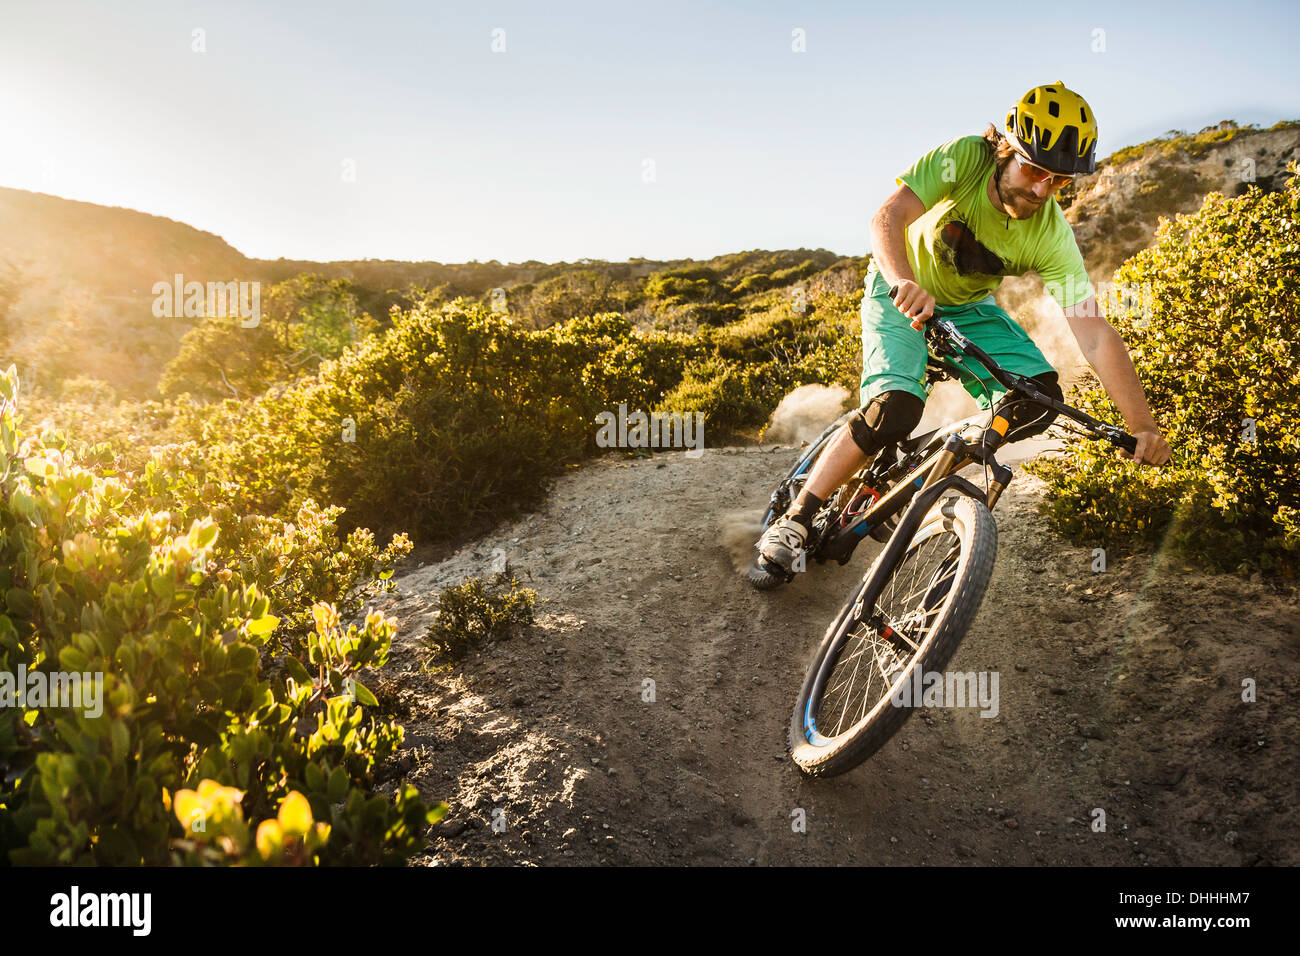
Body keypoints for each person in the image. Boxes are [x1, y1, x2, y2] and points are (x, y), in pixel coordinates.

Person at [757, 81, 1172, 579]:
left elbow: (1095, 334)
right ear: (1005, 150)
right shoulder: (965, 159)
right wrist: (904, 282)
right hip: (900, 287)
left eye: (1058, 181)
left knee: (1035, 399)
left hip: (967, 307)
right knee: (896, 410)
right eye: (1034, 169)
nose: (1042, 190)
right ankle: (797, 517)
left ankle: (918, 474)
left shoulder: (1051, 234)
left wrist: (1143, 426)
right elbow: (887, 217)